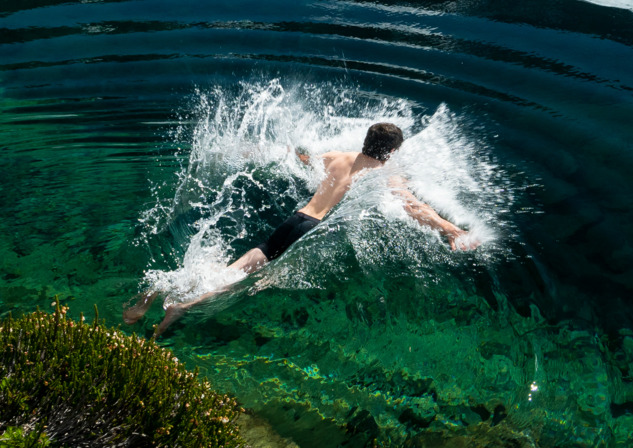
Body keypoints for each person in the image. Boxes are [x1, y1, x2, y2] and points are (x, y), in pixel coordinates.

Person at [123, 122, 478, 335]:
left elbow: (302, 157)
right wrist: (450, 230)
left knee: (238, 267)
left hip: (294, 218)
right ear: (391, 152)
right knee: (247, 282)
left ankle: (156, 290)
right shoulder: (383, 170)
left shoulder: (339, 156)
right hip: (311, 227)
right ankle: (184, 305)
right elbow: (413, 206)